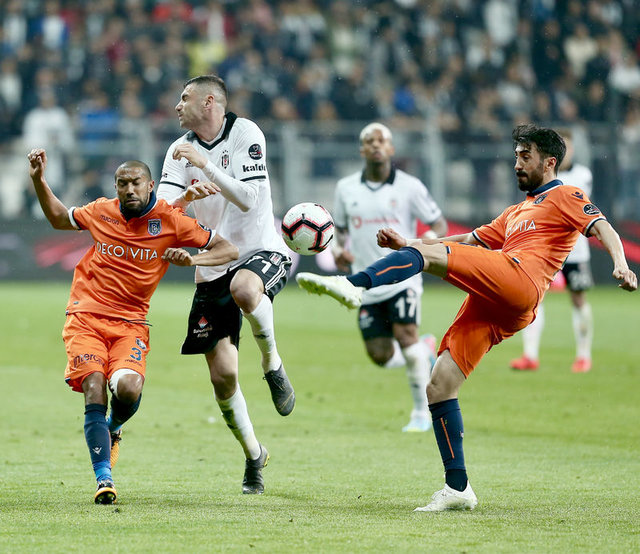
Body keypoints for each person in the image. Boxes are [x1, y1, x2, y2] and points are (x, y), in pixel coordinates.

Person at [296, 124, 637, 511]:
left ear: (549, 162)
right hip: (501, 305)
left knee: (427, 259)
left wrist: (621, 264)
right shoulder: (516, 211)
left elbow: (602, 227)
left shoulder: (566, 194)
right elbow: (470, 241)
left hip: (520, 280)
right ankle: (457, 488)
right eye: (516, 156)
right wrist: (409, 243)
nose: (517, 164)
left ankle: (354, 285)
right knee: (439, 384)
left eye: (525, 157)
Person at [27, 147, 239, 505]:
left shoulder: (170, 220)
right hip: (86, 317)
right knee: (95, 385)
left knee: (127, 389)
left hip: (131, 323)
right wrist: (38, 179)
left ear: (150, 185)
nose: (129, 190)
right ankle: (104, 478)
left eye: (136, 183)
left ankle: (113, 428)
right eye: (122, 183)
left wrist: (192, 260)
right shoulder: (101, 211)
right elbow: (61, 219)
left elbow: (228, 250)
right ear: (115, 187)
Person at [156, 75, 293, 495]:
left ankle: (272, 364)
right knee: (223, 377)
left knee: (246, 290)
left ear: (209, 101)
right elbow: (162, 210)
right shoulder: (178, 150)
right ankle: (254, 455)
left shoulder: (245, 133)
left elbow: (250, 199)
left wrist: (206, 165)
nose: (177, 105)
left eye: (184, 98)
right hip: (214, 261)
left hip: (260, 250)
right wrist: (185, 199)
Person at [331, 122, 448, 432]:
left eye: (381, 140)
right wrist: (339, 250)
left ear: (391, 149)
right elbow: (340, 231)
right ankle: (425, 350)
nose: (376, 145)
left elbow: (438, 223)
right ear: (361, 149)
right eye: (369, 141)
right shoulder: (345, 188)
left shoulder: (410, 186)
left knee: (406, 337)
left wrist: (426, 243)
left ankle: (421, 414)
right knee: (380, 355)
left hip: (402, 278)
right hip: (367, 282)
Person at [510, 129, 595, 372]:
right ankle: (530, 355)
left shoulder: (581, 175)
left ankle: (583, 355)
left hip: (575, 251)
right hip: (544, 250)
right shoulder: (541, 174)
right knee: (533, 298)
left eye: (568, 146)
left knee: (578, 298)